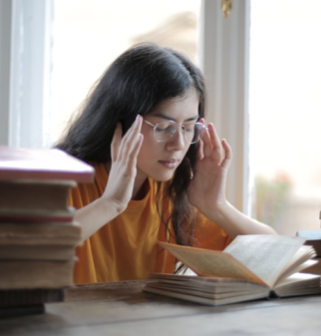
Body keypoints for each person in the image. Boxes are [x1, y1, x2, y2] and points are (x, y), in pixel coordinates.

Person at [56, 43, 276, 284]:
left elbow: (273, 255)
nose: (178, 144)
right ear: (120, 122)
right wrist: (111, 203)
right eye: (163, 128)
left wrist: (216, 205)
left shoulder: (169, 192)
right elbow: (24, 251)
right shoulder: (63, 181)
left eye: (188, 127)